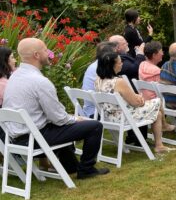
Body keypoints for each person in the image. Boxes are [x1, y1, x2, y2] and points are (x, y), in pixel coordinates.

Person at [3, 38, 108, 179]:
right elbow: (59, 119)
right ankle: (86, 169)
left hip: (16, 137)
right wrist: (77, 118)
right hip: (34, 139)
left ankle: (71, 166)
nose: (49, 53)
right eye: (45, 50)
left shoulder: (15, 76)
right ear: (36, 55)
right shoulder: (39, 81)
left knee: (61, 127)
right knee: (94, 126)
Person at [95, 51, 174, 154]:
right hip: (125, 117)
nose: (122, 64)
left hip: (109, 117)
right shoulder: (118, 82)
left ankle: (160, 144)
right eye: (120, 62)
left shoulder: (98, 80)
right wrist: (140, 99)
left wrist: (137, 98)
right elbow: (135, 103)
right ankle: (162, 131)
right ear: (112, 66)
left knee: (158, 114)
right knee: (157, 101)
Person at [81, 41, 118, 118]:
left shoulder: (95, 65)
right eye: (115, 53)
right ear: (108, 55)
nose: (117, 56)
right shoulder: (101, 69)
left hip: (90, 109)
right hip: (97, 112)